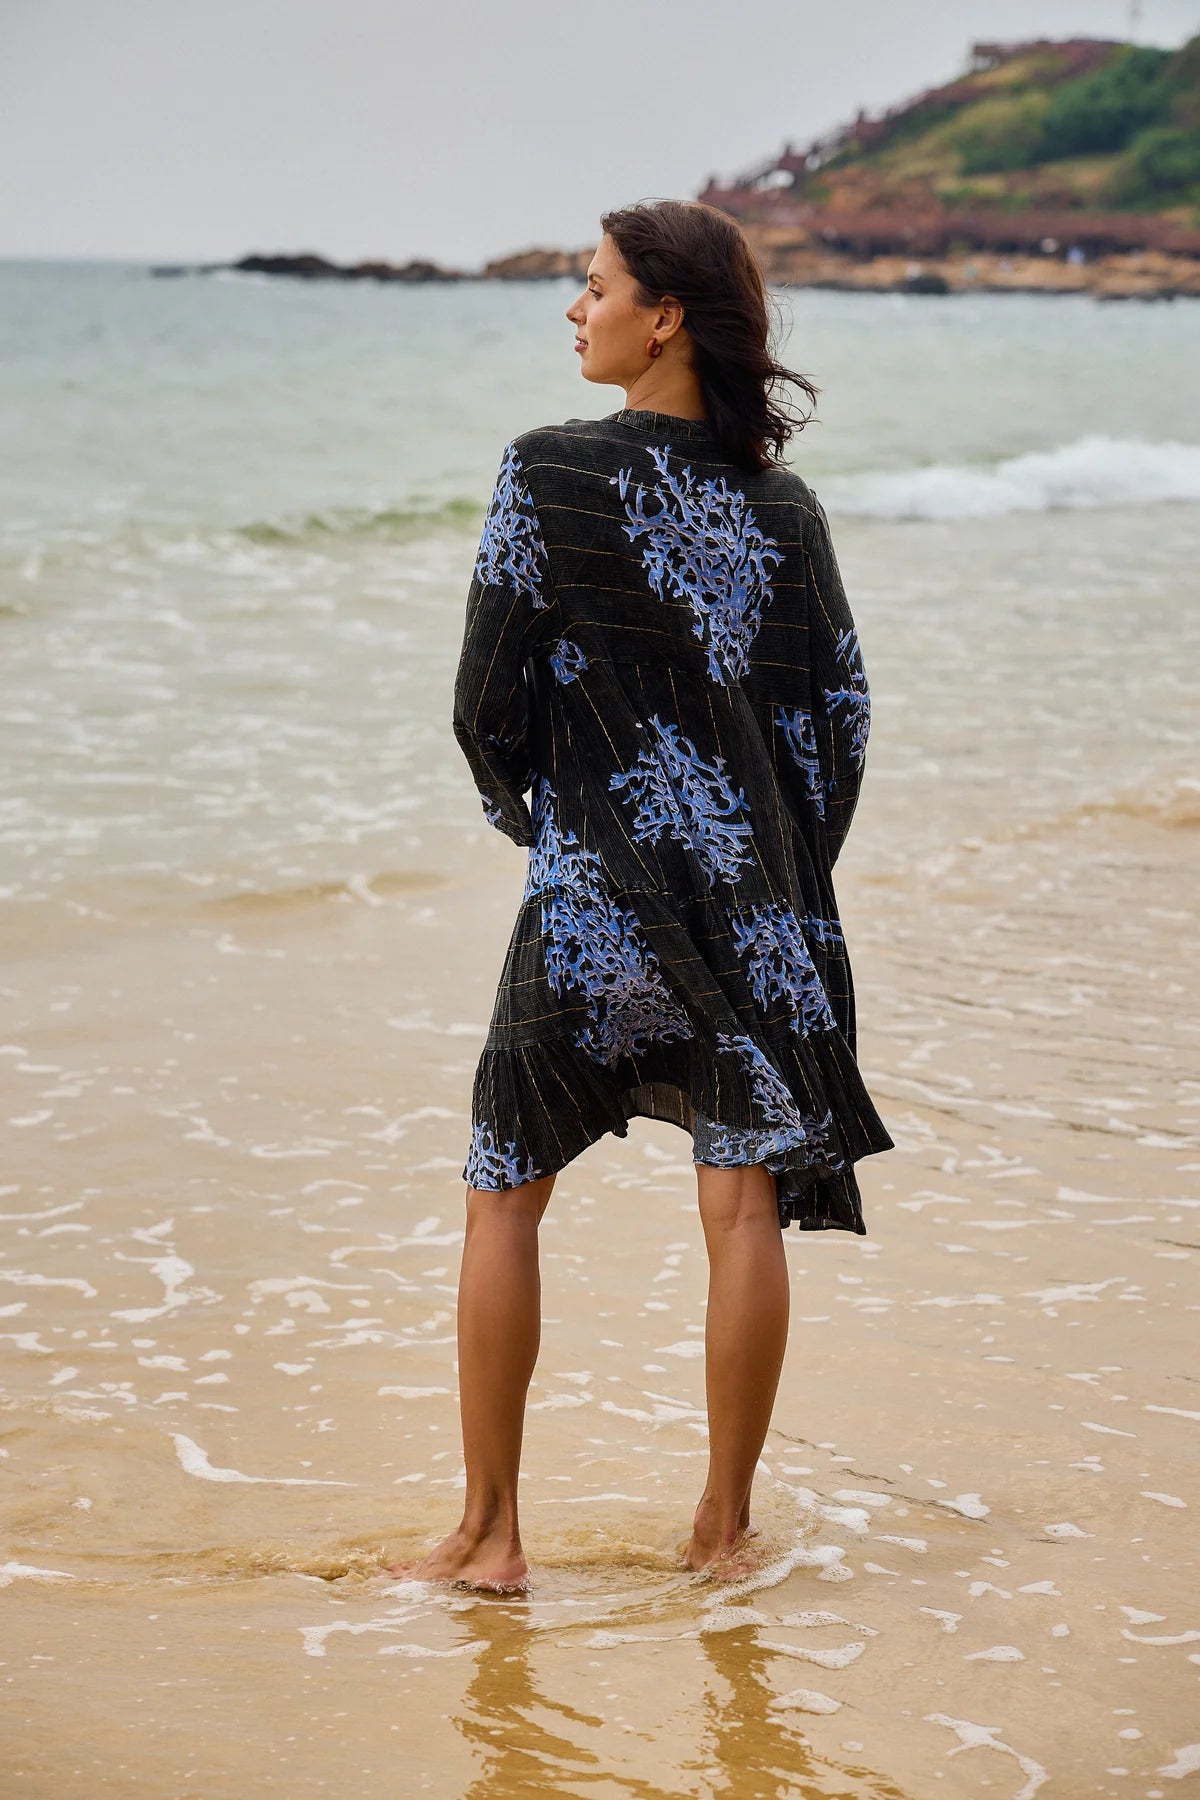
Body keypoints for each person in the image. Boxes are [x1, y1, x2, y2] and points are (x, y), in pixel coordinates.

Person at [391, 198, 893, 1594]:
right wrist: (777, 867)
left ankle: (491, 1538)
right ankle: (723, 1532)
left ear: (663, 316)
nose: (576, 309)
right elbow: (840, 720)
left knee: (506, 1195)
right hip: (750, 905)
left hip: (595, 894)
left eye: (595, 285)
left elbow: (483, 705)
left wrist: (553, 831)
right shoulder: (785, 508)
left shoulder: (548, 472)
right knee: (741, 1211)